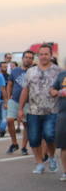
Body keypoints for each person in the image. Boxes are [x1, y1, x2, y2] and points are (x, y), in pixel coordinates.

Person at [18, 44, 61, 174]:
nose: (43, 57)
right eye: (41, 54)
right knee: (34, 138)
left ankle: (52, 157)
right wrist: (20, 109)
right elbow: (25, 90)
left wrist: (58, 93)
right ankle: (39, 163)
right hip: (33, 111)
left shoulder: (59, 71)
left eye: (46, 54)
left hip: (52, 111)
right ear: (38, 55)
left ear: (51, 55)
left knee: (49, 135)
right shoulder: (31, 71)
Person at [6, 50, 33, 154]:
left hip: (28, 102)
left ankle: (24, 147)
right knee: (9, 120)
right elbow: (9, 84)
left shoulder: (34, 71)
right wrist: (8, 97)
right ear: (22, 58)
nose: (28, 59)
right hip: (14, 100)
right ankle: (14, 143)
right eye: (26, 57)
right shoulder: (15, 71)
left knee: (26, 124)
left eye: (30, 58)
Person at [52, 67, 66, 181]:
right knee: (64, 145)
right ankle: (65, 172)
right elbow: (52, 90)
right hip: (63, 114)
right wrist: (58, 92)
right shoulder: (62, 75)